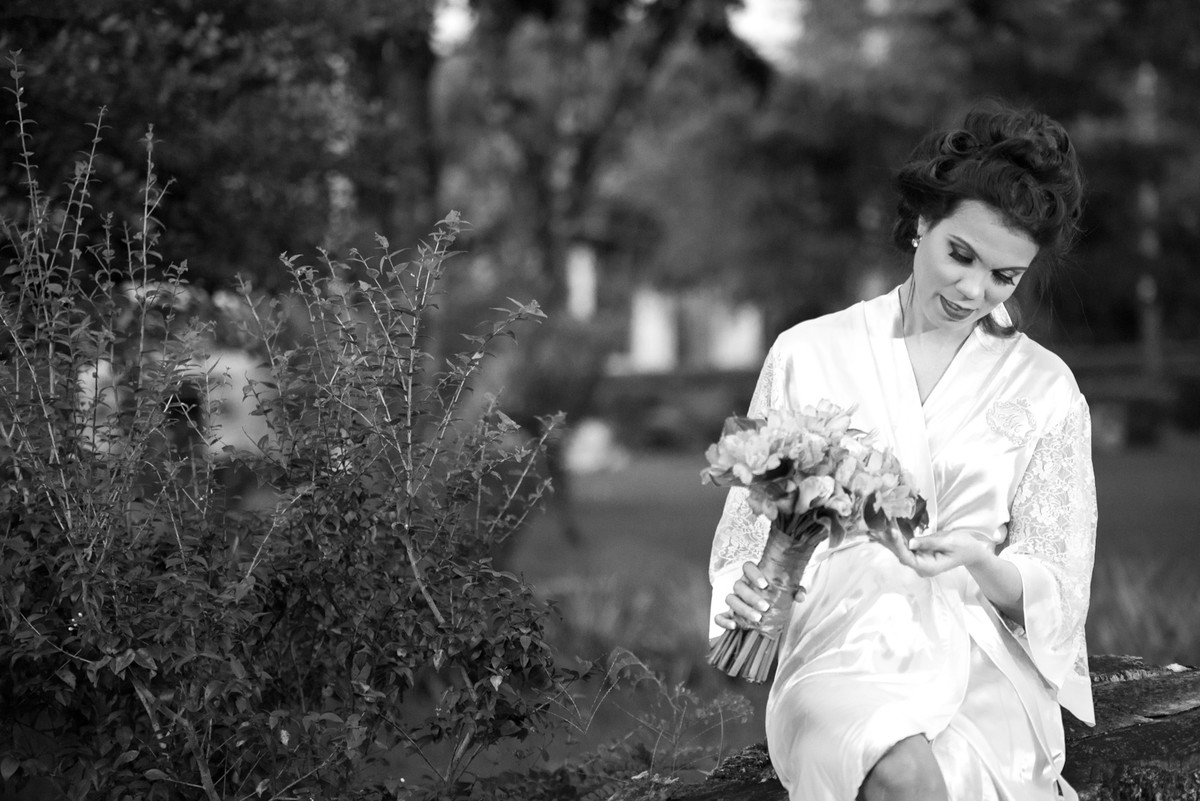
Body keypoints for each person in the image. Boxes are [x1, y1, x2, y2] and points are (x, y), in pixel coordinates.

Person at [708, 101, 1096, 801]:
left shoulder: (1048, 390)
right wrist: (752, 591)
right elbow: (746, 531)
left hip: (977, 652)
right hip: (841, 640)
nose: (974, 290)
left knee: (962, 775)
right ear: (921, 221)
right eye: (961, 254)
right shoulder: (810, 352)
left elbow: (1059, 584)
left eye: (1005, 276)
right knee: (902, 773)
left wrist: (983, 561)